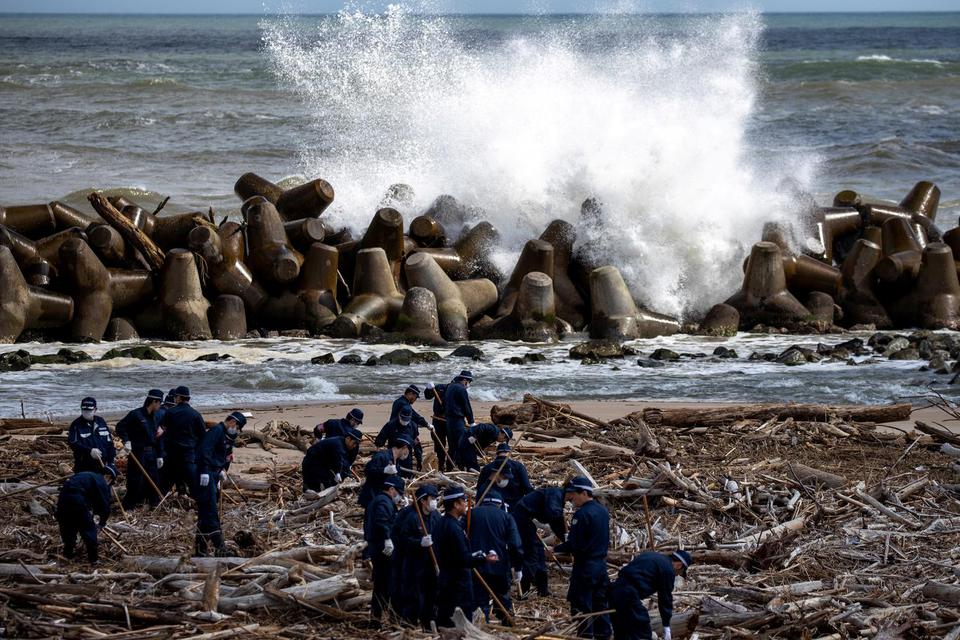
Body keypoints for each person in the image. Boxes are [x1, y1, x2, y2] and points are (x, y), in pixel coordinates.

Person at [552, 477, 611, 639]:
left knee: (582, 605)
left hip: (585, 566)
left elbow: (575, 544)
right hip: (601, 565)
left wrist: (556, 549)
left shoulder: (582, 514)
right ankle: (604, 635)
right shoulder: (603, 511)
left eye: (574, 496)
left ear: (584, 493)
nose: (572, 500)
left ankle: (585, 636)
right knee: (600, 605)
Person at [432, 484, 499, 628]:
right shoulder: (453, 528)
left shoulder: (441, 523)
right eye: (463, 501)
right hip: (457, 583)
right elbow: (462, 559)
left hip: (446, 580)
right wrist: (484, 558)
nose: (466, 504)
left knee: (445, 620)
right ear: (456, 504)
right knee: (459, 623)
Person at [194, 411, 246, 557]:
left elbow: (226, 454)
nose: (236, 430)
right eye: (237, 427)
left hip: (215, 473)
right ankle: (220, 547)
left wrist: (223, 469)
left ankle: (200, 549)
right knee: (210, 510)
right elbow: (204, 451)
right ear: (232, 422)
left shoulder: (228, 435)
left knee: (205, 512)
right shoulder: (216, 431)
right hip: (206, 473)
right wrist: (204, 470)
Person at [468, 490, 524, 625]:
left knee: (479, 601)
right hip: (499, 566)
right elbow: (515, 545)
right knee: (503, 599)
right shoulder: (506, 517)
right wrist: (518, 568)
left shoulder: (471, 514)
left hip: (477, 565)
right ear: (500, 504)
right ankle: (508, 625)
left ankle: (481, 628)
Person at [390, 484, 441, 629]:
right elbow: (402, 539)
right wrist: (419, 543)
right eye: (432, 499)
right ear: (423, 501)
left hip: (431, 563)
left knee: (431, 596)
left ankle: (428, 626)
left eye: (436, 499)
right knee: (413, 596)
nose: (434, 502)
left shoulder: (435, 515)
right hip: (414, 563)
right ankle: (408, 626)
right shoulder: (411, 517)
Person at [611, 550, 692, 640]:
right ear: (679, 565)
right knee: (643, 629)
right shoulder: (667, 570)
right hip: (628, 595)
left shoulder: (652, 556)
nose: (676, 575)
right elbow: (665, 598)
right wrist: (666, 626)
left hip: (614, 590)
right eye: (678, 573)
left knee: (621, 632)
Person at [364, 474, 404, 625]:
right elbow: (382, 520)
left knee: (381, 584)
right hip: (383, 549)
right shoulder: (383, 501)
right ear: (392, 489)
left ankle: (376, 618)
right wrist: (387, 538)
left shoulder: (381, 500)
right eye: (399, 493)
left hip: (378, 547)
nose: (399, 496)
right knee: (385, 584)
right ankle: (382, 618)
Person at [56, 465, 116, 565]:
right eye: (111, 481)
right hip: (77, 500)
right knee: (88, 528)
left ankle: (68, 553)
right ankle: (94, 558)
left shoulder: (86, 475)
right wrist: (102, 523)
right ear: (108, 476)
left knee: (68, 525)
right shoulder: (100, 481)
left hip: (63, 499)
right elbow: (104, 505)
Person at [513, 485, 567, 596]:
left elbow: (554, 520)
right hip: (522, 519)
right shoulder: (556, 494)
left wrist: (564, 538)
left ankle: (542, 589)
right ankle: (524, 590)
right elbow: (554, 515)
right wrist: (565, 538)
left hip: (526, 520)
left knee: (538, 553)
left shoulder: (556, 495)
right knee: (531, 554)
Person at [116, 389, 165, 509]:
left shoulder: (155, 416)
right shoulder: (136, 414)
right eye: (159, 403)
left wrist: (159, 455)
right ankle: (129, 505)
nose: (160, 406)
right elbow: (120, 427)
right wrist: (127, 441)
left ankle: (153, 503)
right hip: (138, 452)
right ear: (154, 401)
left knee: (153, 477)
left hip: (151, 452)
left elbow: (157, 437)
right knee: (135, 479)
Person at [159, 386, 206, 497]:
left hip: (172, 452)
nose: (175, 398)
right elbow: (203, 435)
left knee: (166, 480)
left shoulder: (170, 412)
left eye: (176, 397)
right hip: (188, 453)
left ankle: (159, 500)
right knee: (192, 480)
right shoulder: (195, 414)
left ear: (179, 397)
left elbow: (162, 431)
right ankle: (196, 500)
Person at [301, 427, 361, 492]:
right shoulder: (338, 445)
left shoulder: (342, 442)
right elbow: (338, 460)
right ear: (348, 438)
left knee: (328, 481)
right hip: (312, 463)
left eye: (356, 444)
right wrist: (338, 473)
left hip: (321, 463)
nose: (354, 446)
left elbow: (339, 461)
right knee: (314, 484)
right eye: (354, 443)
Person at [359, 435, 411, 508]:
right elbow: (368, 470)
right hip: (372, 497)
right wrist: (384, 470)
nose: (408, 453)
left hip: (383, 500)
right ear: (404, 447)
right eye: (408, 450)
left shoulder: (397, 462)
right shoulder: (382, 456)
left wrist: (401, 497)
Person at [67, 397, 116, 474]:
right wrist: (89, 451)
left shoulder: (101, 421)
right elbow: (73, 444)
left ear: (95, 409)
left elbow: (109, 443)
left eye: (89, 410)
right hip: (84, 466)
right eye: (84, 410)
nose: (86, 412)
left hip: (103, 464)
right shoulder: (76, 424)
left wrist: (111, 462)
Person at [477, 443, 533, 508]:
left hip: (493, 505)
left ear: (497, 454)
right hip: (514, 506)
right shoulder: (518, 467)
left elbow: (480, 489)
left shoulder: (487, 468)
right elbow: (527, 487)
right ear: (509, 453)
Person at [375, 405, 423, 473]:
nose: (404, 421)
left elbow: (417, 445)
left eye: (406, 419)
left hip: (407, 458)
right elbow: (380, 439)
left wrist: (419, 460)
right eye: (403, 418)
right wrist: (379, 444)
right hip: (393, 457)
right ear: (399, 415)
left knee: (407, 477)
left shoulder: (413, 426)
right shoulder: (391, 425)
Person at [443, 371, 474, 469]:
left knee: (452, 446)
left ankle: (449, 467)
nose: (468, 384)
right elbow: (466, 406)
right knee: (461, 444)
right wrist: (471, 421)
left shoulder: (450, 386)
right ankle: (460, 467)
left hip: (449, 420)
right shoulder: (461, 389)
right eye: (468, 381)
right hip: (457, 420)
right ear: (464, 380)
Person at [424, 382, 452, 471]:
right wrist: (428, 389)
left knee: (453, 444)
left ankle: (450, 466)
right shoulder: (439, 388)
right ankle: (440, 465)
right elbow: (428, 396)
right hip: (438, 419)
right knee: (439, 443)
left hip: (450, 421)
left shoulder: (459, 391)